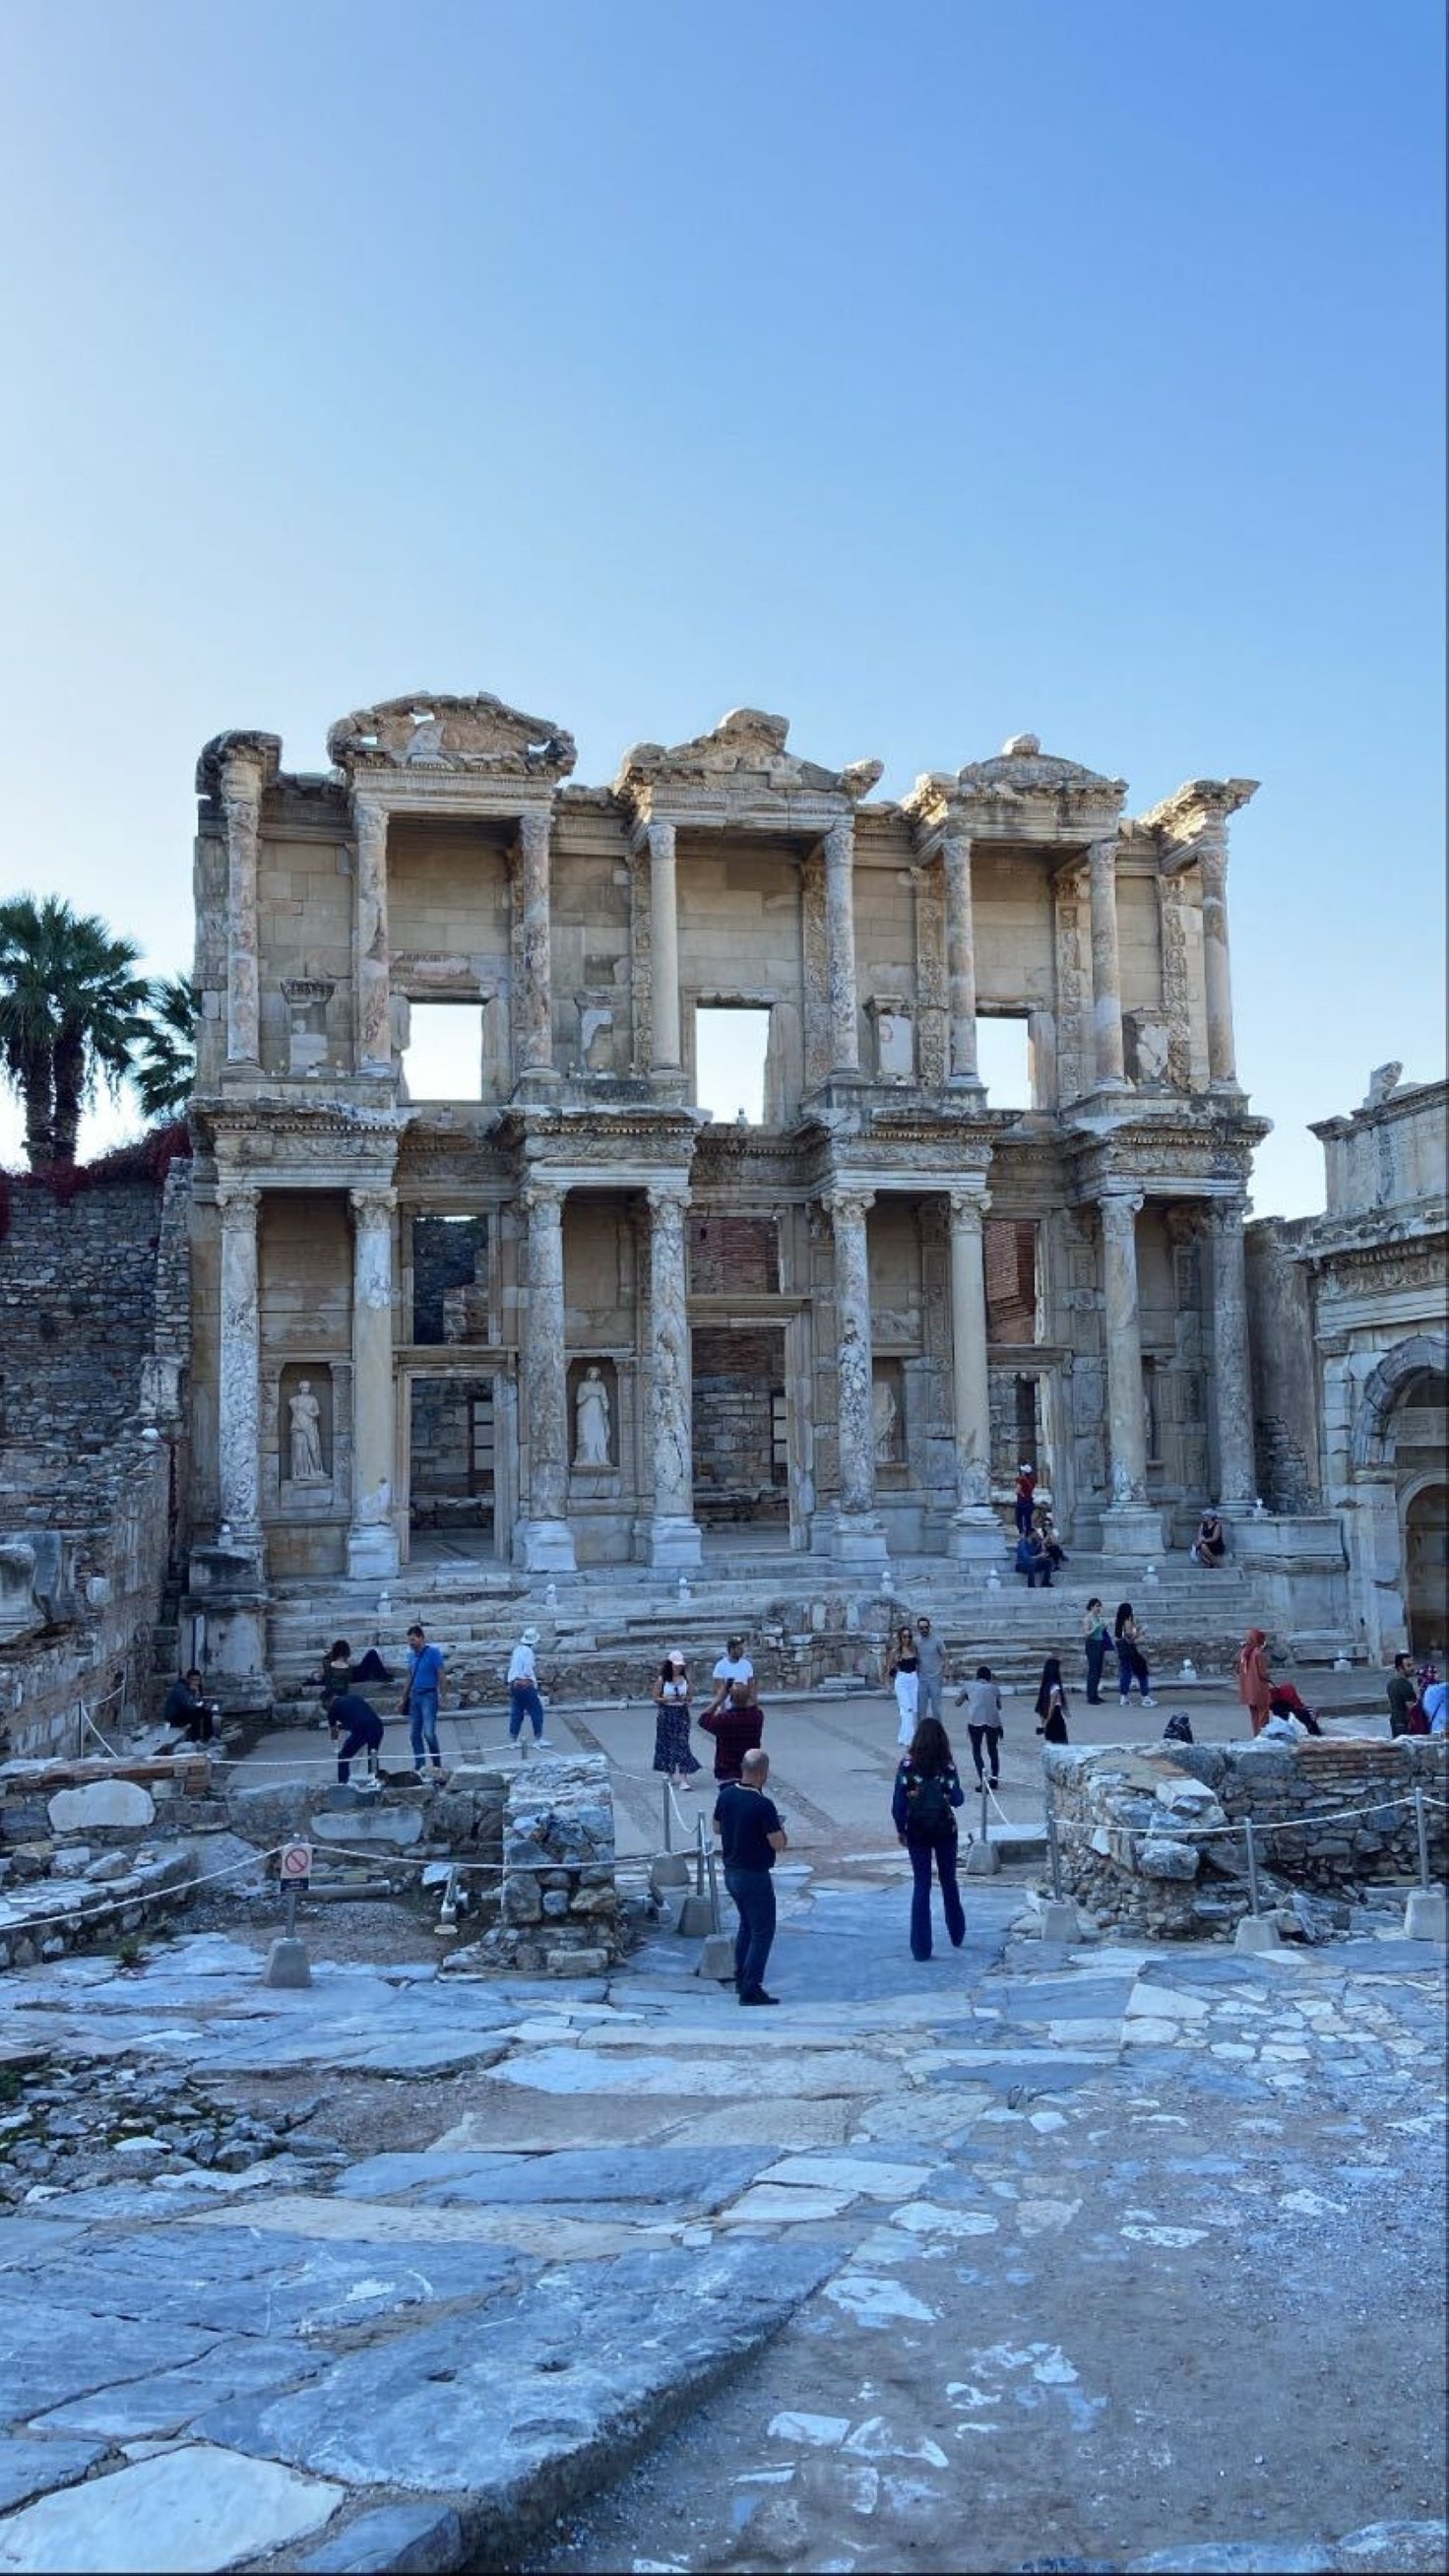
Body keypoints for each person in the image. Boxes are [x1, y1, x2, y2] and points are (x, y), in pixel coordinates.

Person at [714, 1746, 788, 2005]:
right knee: (763, 1932)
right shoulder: (763, 1805)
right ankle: (751, 1986)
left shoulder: (727, 1795)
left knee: (746, 1924)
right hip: (754, 1874)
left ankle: (740, 1975)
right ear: (762, 1773)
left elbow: (716, 1827)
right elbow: (777, 1843)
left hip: (731, 1871)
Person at [892, 1715, 967, 1962]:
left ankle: (921, 1947)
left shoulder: (906, 1764)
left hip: (917, 1830)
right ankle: (956, 1932)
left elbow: (898, 1803)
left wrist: (900, 1828)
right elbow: (957, 1799)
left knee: (921, 1884)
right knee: (948, 1881)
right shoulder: (946, 1764)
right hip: (945, 1828)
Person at [700, 1678, 766, 1784]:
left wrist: (719, 1698)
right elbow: (753, 1705)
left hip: (727, 1771)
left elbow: (703, 1719)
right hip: (750, 1769)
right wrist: (746, 1691)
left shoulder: (724, 1720)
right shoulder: (757, 1716)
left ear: (730, 1699)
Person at [402, 1623, 447, 1776]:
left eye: (413, 1640)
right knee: (414, 1734)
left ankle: (437, 1764)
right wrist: (403, 1698)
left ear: (421, 1638)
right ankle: (420, 1765)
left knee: (428, 1732)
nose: (411, 1643)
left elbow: (441, 1674)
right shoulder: (411, 1656)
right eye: (409, 1641)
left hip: (429, 1695)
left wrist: (443, 1695)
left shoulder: (434, 1653)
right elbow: (409, 1677)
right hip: (415, 1696)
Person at [652, 1650, 701, 1789]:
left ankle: (683, 1777)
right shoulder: (662, 1680)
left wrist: (685, 1698)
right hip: (666, 1713)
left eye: (680, 1666)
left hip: (681, 1713)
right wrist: (666, 1699)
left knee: (682, 1744)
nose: (678, 1668)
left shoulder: (685, 1680)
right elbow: (656, 1698)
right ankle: (669, 1772)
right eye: (676, 1665)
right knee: (666, 1743)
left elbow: (691, 1697)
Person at [955, 1663, 1003, 1790]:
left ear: (977, 1676)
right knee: (992, 1750)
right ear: (989, 1678)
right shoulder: (994, 1688)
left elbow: (957, 1703)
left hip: (975, 1720)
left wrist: (968, 1697)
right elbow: (999, 1706)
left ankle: (983, 1781)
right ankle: (994, 1779)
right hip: (993, 1721)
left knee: (977, 1751)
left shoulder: (969, 1686)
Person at [328, 1686, 384, 1785]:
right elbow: (359, 1714)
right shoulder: (355, 1697)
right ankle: (375, 1781)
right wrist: (344, 1726)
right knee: (373, 1755)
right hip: (377, 1725)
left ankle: (343, 1783)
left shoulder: (332, 1707)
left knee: (343, 1756)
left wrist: (335, 1745)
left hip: (361, 1729)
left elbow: (333, 1730)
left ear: (326, 1701)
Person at [506, 1625, 550, 1750]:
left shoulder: (517, 1650)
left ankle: (513, 1739)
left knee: (517, 1711)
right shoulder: (528, 1652)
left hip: (513, 1683)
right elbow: (527, 1669)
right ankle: (538, 1738)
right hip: (524, 1684)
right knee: (536, 1710)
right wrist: (529, 1680)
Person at [1114, 1603, 1156, 1707]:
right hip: (1130, 1651)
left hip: (1122, 1651)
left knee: (1126, 1673)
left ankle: (1124, 1698)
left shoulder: (1119, 1623)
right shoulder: (1127, 1622)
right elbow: (1129, 1639)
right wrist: (1141, 1632)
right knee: (1141, 1673)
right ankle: (1145, 1697)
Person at [887, 1624, 920, 1748]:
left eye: (909, 1636)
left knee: (913, 1709)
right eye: (904, 1637)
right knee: (907, 1709)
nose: (907, 1639)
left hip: (913, 1679)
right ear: (900, 1638)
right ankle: (910, 1739)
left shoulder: (914, 1649)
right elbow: (889, 1668)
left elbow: (918, 1665)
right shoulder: (895, 1652)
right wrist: (888, 1683)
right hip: (902, 1679)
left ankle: (903, 1736)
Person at [161, 1669, 216, 1745]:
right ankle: (195, 1740)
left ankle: (209, 1737)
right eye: (193, 1680)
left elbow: (197, 1703)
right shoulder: (180, 1689)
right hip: (174, 1717)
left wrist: (204, 1704)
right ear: (188, 1679)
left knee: (206, 1711)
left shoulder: (194, 1688)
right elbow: (189, 1705)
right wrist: (195, 1693)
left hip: (185, 1713)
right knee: (195, 1713)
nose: (196, 1682)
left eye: (198, 1680)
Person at [1237, 1626, 1273, 1737]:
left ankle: (1256, 1735)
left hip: (1247, 1689)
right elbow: (1263, 1674)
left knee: (1254, 1714)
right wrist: (1269, 1676)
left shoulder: (1244, 1652)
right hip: (1258, 1688)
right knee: (1263, 1713)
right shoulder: (1258, 1653)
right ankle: (1263, 1737)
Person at [707, 1637, 755, 1717]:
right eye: (739, 1648)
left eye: (743, 1648)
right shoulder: (720, 1666)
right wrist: (722, 1708)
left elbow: (751, 1687)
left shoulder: (747, 1665)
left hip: (744, 1708)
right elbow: (718, 1689)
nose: (742, 1651)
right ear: (732, 1649)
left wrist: (753, 1706)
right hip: (727, 1709)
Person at [574, 1365, 611, 1467]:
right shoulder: (583, 1385)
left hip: (597, 1413)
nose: (593, 1375)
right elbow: (578, 1400)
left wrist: (605, 1406)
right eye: (592, 1372)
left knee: (599, 1434)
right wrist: (589, 1395)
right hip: (586, 1412)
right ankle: (586, 1458)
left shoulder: (601, 1386)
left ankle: (600, 1458)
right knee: (586, 1435)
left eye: (595, 1373)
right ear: (589, 1374)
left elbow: (604, 1399)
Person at [914, 1615, 946, 1722]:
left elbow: (945, 1657)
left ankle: (938, 1733)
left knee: (936, 1709)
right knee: (920, 1709)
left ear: (929, 1627)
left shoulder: (938, 1640)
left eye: (926, 1627)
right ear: (918, 1629)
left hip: (935, 1678)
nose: (924, 1630)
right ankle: (920, 1734)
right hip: (921, 1679)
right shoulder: (916, 1641)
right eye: (921, 1628)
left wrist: (945, 1674)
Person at [1035, 1655, 1070, 1745]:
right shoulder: (1055, 1688)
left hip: (1048, 1719)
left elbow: (1043, 1708)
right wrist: (1046, 1723)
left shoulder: (1045, 1687)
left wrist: (1044, 1724)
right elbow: (1052, 1708)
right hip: (1055, 1719)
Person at [1083, 1598, 1111, 1706]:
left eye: (1100, 1606)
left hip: (1099, 1644)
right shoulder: (1088, 1618)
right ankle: (1091, 1696)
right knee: (1093, 1670)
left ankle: (1095, 1694)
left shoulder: (1098, 1618)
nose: (1099, 1608)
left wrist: (1103, 1627)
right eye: (1097, 1606)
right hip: (1092, 1644)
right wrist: (1095, 1628)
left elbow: (1101, 1631)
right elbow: (1086, 1634)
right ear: (1091, 1607)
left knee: (1098, 1670)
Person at [1386, 1653, 1418, 1738]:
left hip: (1395, 1722)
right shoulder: (1405, 1685)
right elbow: (1412, 1709)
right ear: (1400, 1668)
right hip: (1405, 1724)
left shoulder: (1391, 1683)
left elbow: (1390, 1704)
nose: (1412, 1668)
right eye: (1409, 1665)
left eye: (1413, 1664)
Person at [1014, 1463, 1037, 1538]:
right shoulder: (1032, 1481)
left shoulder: (1021, 1480)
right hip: (1029, 1501)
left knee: (1018, 1517)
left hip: (1021, 1501)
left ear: (1024, 1472)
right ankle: (1028, 1533)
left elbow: (1017, 1490)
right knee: (1028, 1519)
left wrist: (1021, 1494)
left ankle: (1021, 1532)